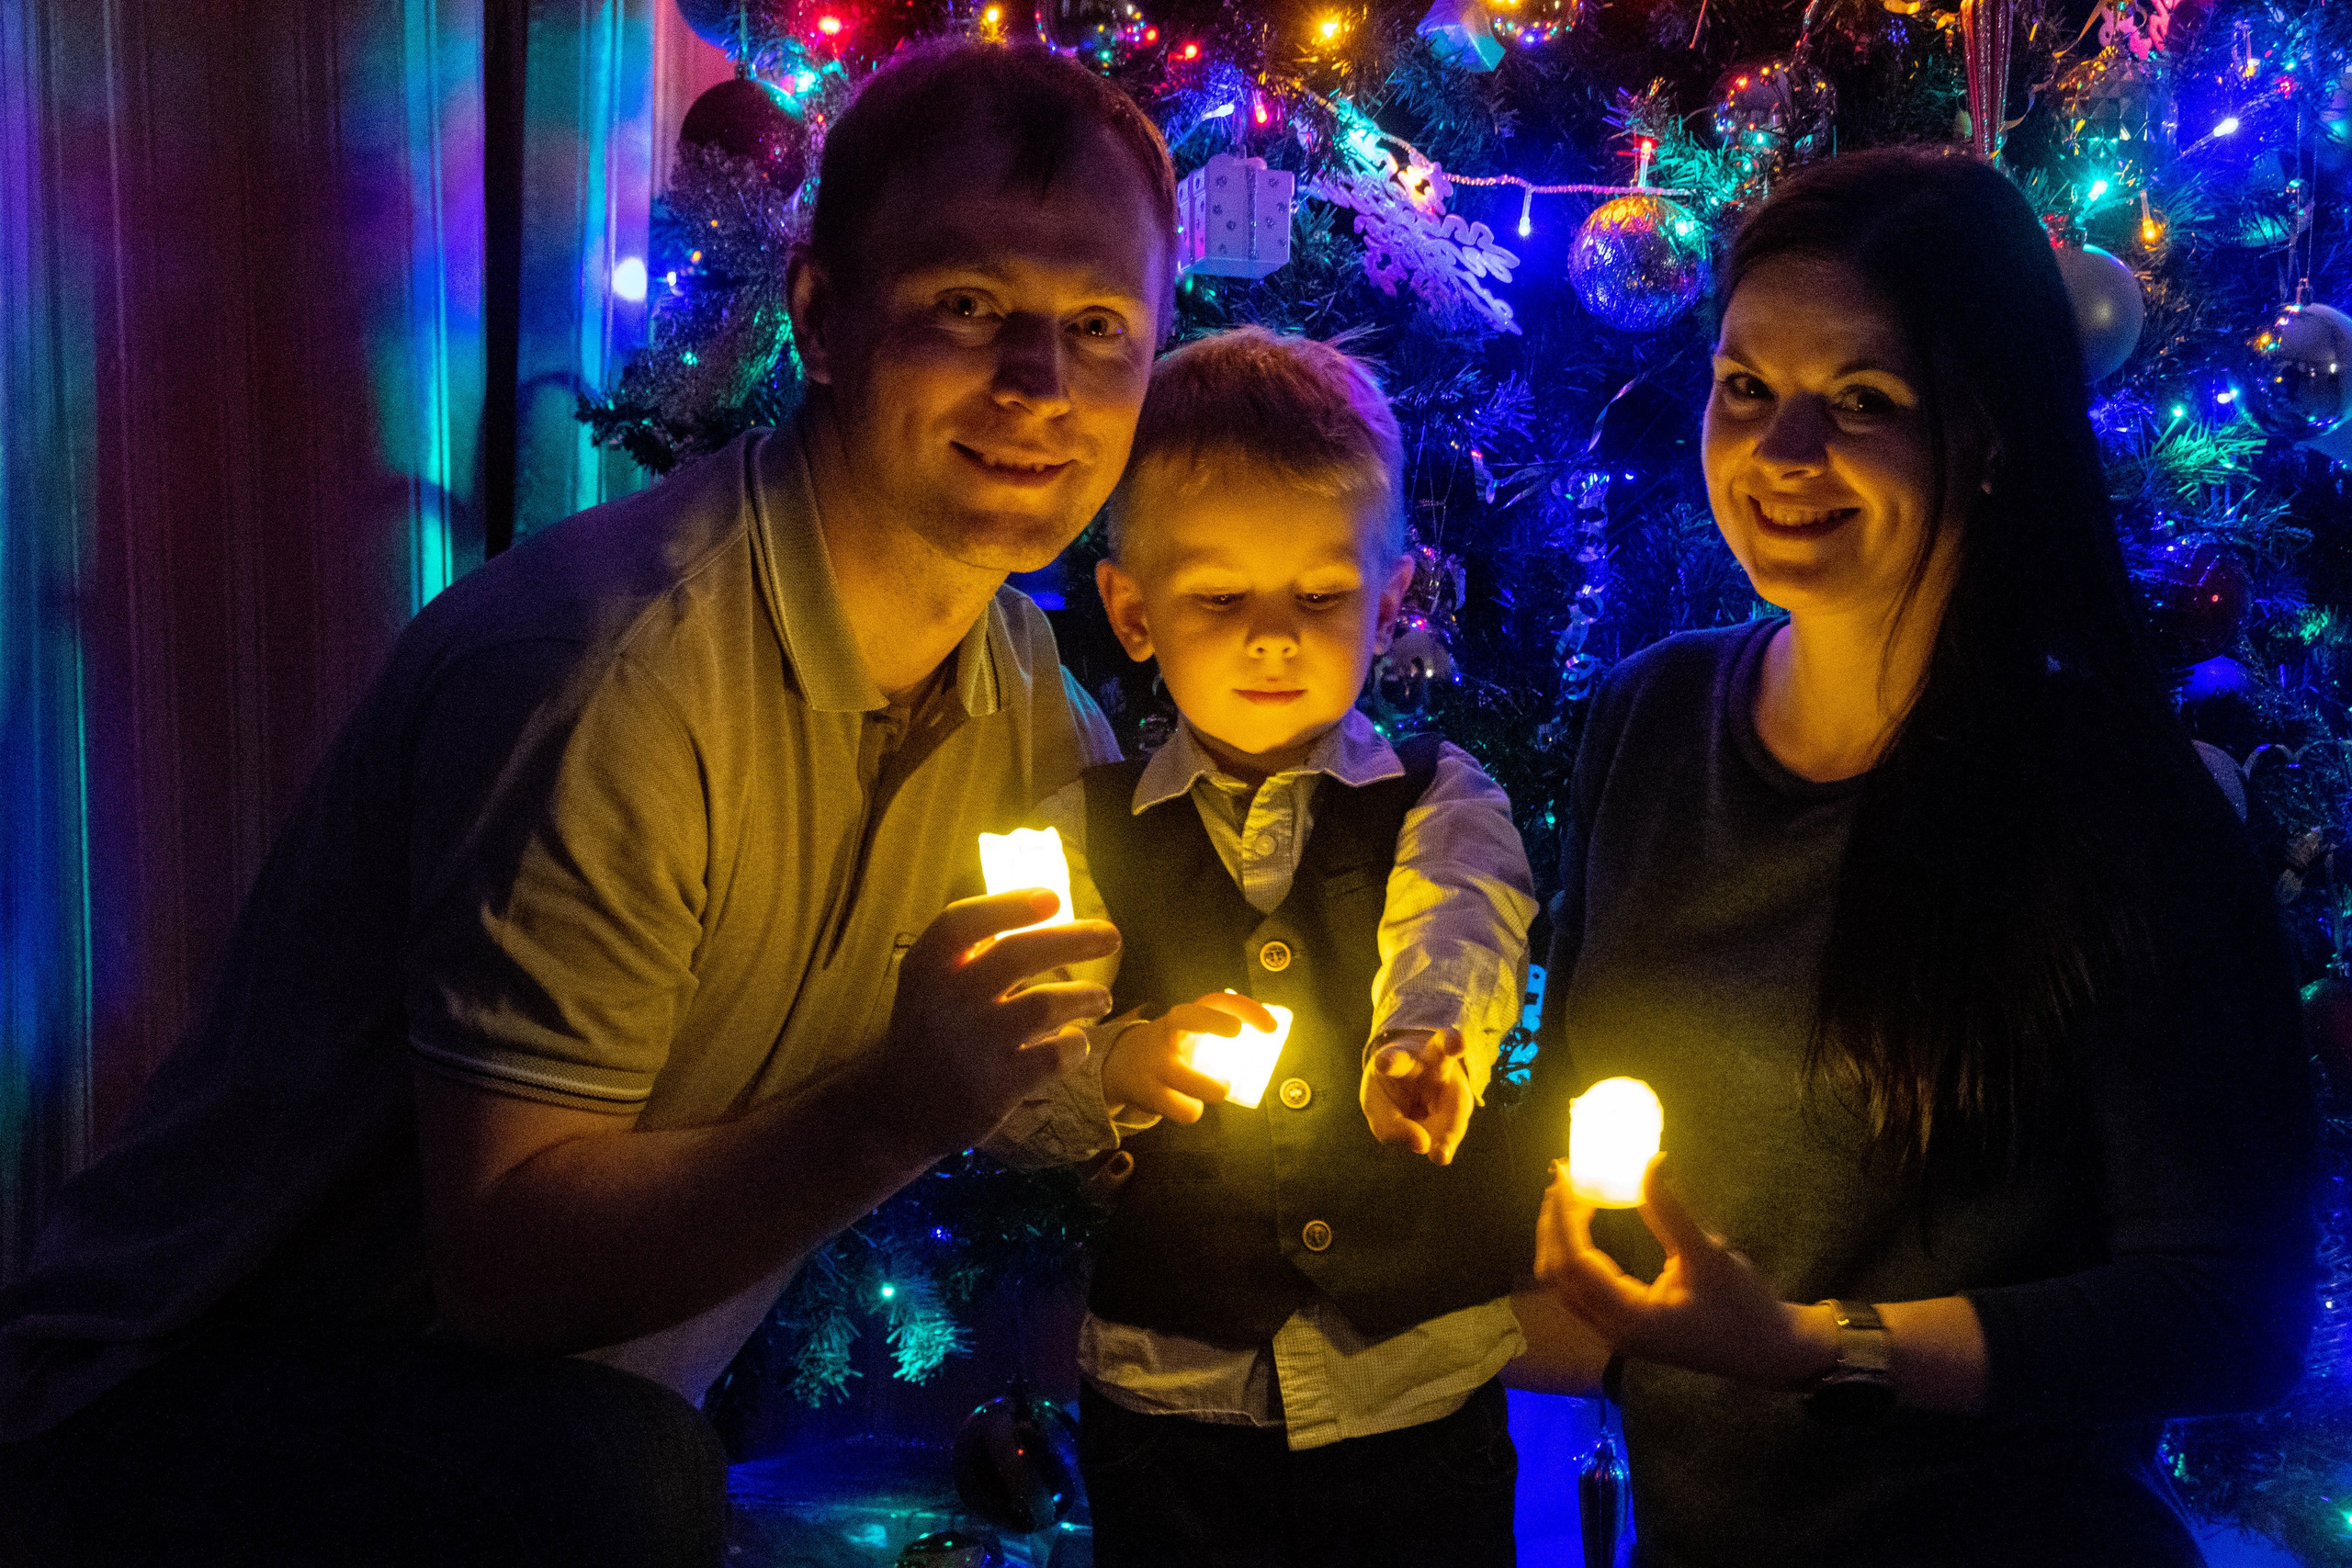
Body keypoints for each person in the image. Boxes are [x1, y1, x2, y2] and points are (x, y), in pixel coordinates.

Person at [0, 40, 1174, 1566]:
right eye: (968, 304)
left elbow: (1035, 1079)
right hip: (168, 1408)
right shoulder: (617, 676)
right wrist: (899, 1101)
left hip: (503, 1416)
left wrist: (1152, 1066)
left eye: (1099, 327)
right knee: (625, 1476)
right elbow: (509, 1273)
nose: (1040, 384)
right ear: (822, 318)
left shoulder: (1021, 698)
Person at [1515, 146, 2317, 1566]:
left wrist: (1816, 1347)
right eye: (1744, 387)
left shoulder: (2116, 806)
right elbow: (1577, 1141)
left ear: (1990, 431)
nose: (1781, 454)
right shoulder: (1650, 720)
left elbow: (2230, 1315)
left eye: (1862, 401)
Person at [989, 326, 1540, 1567]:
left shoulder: (1440, 797)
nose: (1275, 637)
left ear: (1390, 603)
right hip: (1169, 1404)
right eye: (1221, 599)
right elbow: (1012, 1072)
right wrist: (1121, 1066)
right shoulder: (1079, 830)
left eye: (1322, 597)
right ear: (1132, 612)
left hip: (1416, 1392)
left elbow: (1461, 922)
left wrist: (1428, 1042)